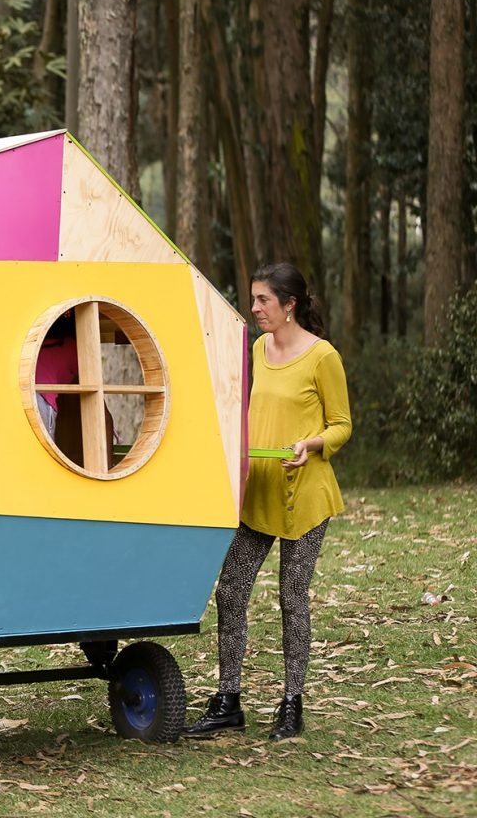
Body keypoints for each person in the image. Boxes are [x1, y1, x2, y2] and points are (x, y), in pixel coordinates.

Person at [185, 262, 352, 741]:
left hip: (306, 495)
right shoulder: (259, 348)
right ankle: (228, 699)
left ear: (290, 305)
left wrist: (312, 444)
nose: (254, 308)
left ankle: (291, 704)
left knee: (292, 597)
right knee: (231, 589)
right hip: (258, 490)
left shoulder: (323, 357)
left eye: (263, 300)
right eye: (254, 299)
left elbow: (342, 423)